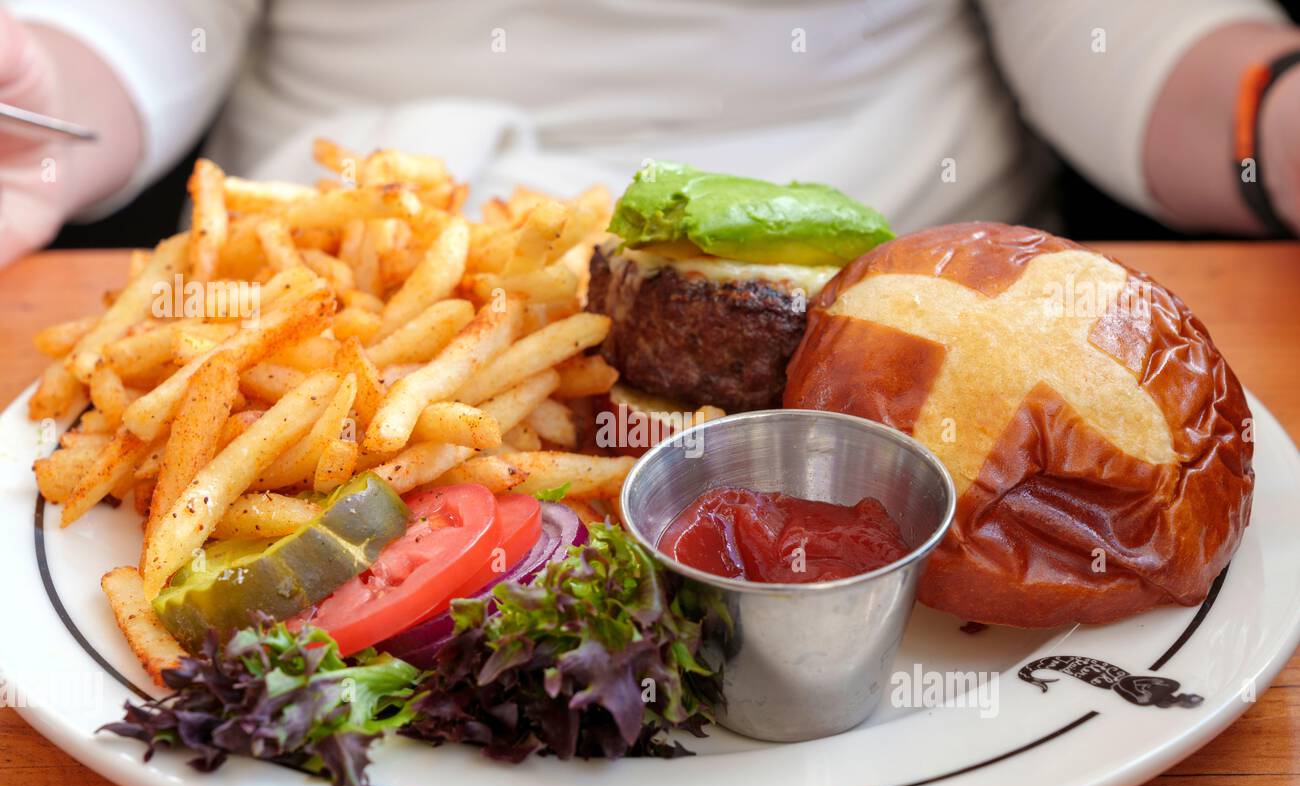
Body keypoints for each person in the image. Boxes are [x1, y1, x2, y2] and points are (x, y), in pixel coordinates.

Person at [1, 0, 1298, 268]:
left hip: (876, 295)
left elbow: (1130, 40)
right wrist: (36, 104)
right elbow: (136, 25)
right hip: (342, 290)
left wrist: (1272, 128)